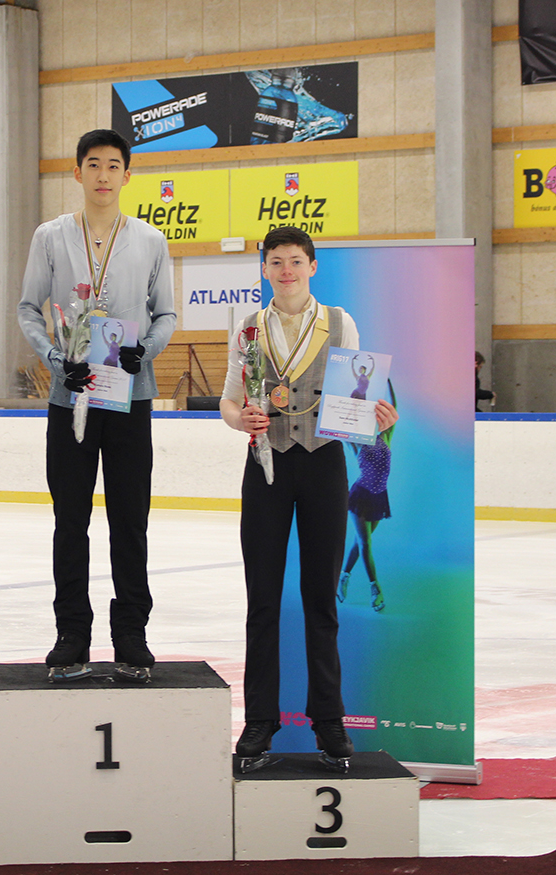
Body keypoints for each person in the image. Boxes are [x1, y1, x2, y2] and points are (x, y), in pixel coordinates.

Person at [219, 225, 397, 772]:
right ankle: (259, 722)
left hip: (323, 466)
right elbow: (228, 402)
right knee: (262, 601)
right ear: (265, 270)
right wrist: (239, 418)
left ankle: (329, 721)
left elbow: (357, 400)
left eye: (296, 260)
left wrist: (377, 419)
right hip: (266, 467)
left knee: (320, 601)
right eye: (276, 261)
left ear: (313, 266)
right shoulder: (249, 328)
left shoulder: (340, 322)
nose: (286, 270)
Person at [17, 129, 177, 683]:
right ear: (78, 172)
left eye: (114, 165)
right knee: (71, 520)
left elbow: (166, 315)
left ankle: (132, 633)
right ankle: (72, 632)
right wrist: (55, 358)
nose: (104, 174)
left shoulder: (152, 241)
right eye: (94, 164)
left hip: (131, 397)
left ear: (127, 175)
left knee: (130, 520)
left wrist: (144, 351)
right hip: (71, 395)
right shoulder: (51, 237)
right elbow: (27, 309)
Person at [340, 379, 397, 613]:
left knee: (360, 541)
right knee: (365, 543)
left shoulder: (386, 436)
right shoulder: (357, 441)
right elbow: (342, 418)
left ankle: (343, 577)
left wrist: (388, 382)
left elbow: (394, 407)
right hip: (361, 496)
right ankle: (375, 588)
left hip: (379, 496)